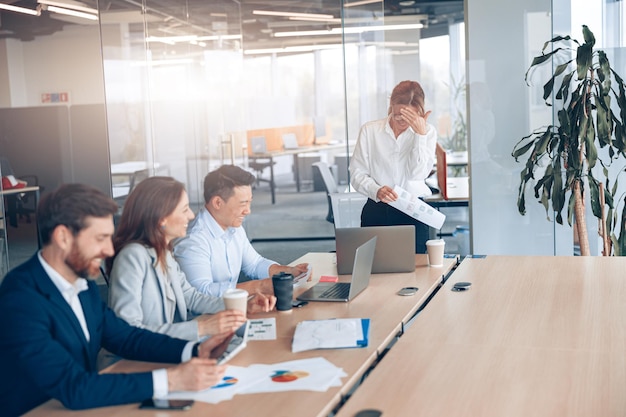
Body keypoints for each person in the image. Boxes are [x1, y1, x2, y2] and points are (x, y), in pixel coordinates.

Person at [0, 183, 235, 416]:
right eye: (100, 238)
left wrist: (194, 351)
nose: (110, 251)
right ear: (63, 237)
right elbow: (74, 387)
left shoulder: (82, 285)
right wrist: (170, 380)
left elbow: (125, 337)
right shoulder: (20, 299)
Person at [107, 176, 275, 342]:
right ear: (161, 218)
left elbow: (192, 297)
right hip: (133, 362)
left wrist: (244, 305)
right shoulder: (132, 257)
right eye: (184, 209)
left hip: (163, 348)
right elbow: (127, 331)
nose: (191, 215)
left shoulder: (163, 252)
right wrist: (202, 328)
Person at [173, 165, 308, 297]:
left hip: (232, 310)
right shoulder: (193, 240)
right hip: (207, 317)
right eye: (243, 204)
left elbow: (255, 264)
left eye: (250, 202)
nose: (248, 211)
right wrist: (258, 287)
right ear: (218, 203)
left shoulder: (233, 226)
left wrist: (289, 272)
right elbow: (201, 292)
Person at [349, 80, 437, 253]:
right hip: (377, 208)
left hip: (413, 211)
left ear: (419, 112)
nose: (402, 120)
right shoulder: (370, 130)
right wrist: (376, 190)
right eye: (398, 114)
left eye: (409, 116)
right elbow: (357, 174)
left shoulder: (428, 132)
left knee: (416, 273)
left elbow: (418, 174)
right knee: (374, 268)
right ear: (391, 106)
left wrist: (420, 136)